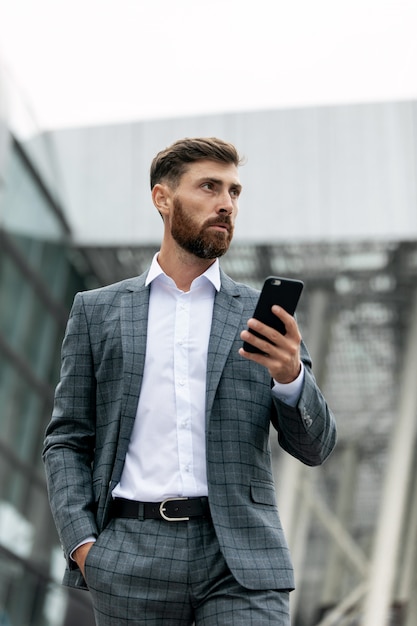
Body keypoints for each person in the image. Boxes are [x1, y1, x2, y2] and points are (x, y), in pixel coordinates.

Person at [43, 137, 336, 626]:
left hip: (240, 557)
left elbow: (316, 446)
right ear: (163, 198)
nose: (226, 204)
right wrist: (83, 545)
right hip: (130, 554)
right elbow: (67, 439)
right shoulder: (98, 312)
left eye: (235, 192)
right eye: (209, 187)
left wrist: (290, 377)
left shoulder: (260, 313)